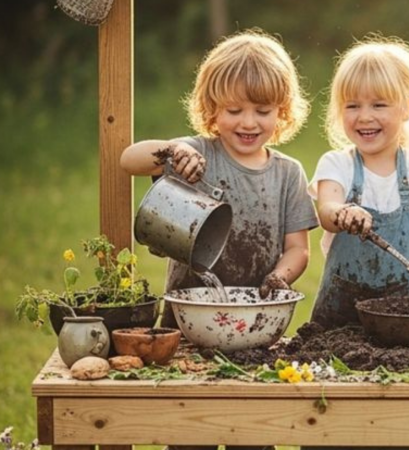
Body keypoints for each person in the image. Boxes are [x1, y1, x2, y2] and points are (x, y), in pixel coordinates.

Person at [120, 30, 318, 450]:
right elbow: (128, 159)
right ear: (211, 109)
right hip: (188, 326)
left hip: (256, 329)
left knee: (253, 430)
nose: (248, 122)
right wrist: (170, 151)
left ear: (282, 113)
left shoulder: (288, 174)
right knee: (190, 430)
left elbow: (298, 248)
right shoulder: (196, 155)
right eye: (234, 110)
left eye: (263, 110)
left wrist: (280, 278)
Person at [308, 35, 409, 339]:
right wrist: (344, 212)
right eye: (352, 105)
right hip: (336, 324)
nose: (364, 116)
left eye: (379, 104)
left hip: (403, 321)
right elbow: (326, 210)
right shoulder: (337, 164)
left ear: (407, 108)